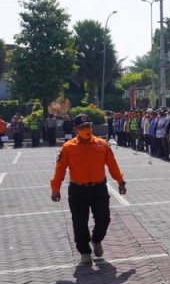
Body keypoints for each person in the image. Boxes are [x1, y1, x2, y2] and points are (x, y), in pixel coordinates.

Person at [50, 114, 126, 266]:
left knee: (104, 218)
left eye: (88, 126)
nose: (86, 129)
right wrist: (55, 189)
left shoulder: (102, 144)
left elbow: (112, 165)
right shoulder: (68, 147)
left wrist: (120, 182)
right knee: (79, 222)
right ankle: (85, 251)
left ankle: (96, 240)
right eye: (82, 127)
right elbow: (60, 170)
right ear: (75, 129)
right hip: (78, 190)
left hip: (99, 189)